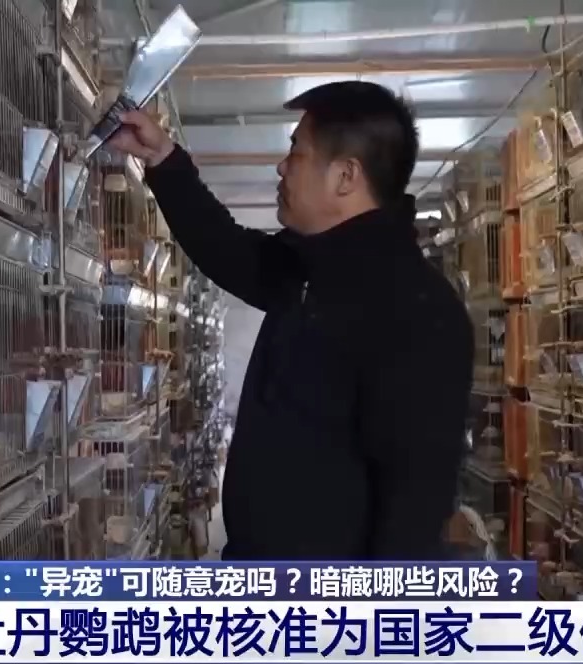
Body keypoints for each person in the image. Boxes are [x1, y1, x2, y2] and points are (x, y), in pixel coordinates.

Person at [111, 80, 473, 560]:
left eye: (296, 152)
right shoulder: (313, 268)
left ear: (345, 176)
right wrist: (163, 159)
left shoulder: (416, 310)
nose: (282, 167)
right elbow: (229, 250)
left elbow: (413, 512)